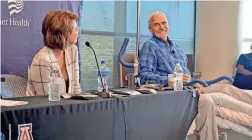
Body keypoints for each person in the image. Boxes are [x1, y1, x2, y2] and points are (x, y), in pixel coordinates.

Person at [138, 11, 218, 140]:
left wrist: (192, 83)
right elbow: (144, 77)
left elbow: (185, 74)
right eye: (156, 25)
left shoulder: (178, 48)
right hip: (169, 95)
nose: (161, 27)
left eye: (164, 23)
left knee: (218, 94)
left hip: (187, 91)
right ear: (150, 29)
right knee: (208, 101)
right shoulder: (150, 46)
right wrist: (170, 79)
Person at [26, 10, 81, 96]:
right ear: (64, 32)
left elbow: (76, 88)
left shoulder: (72, 50)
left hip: (66, 107)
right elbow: (47, 101)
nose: (78, 31)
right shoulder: (42, 60)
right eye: (76, 28)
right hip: (44, 108)